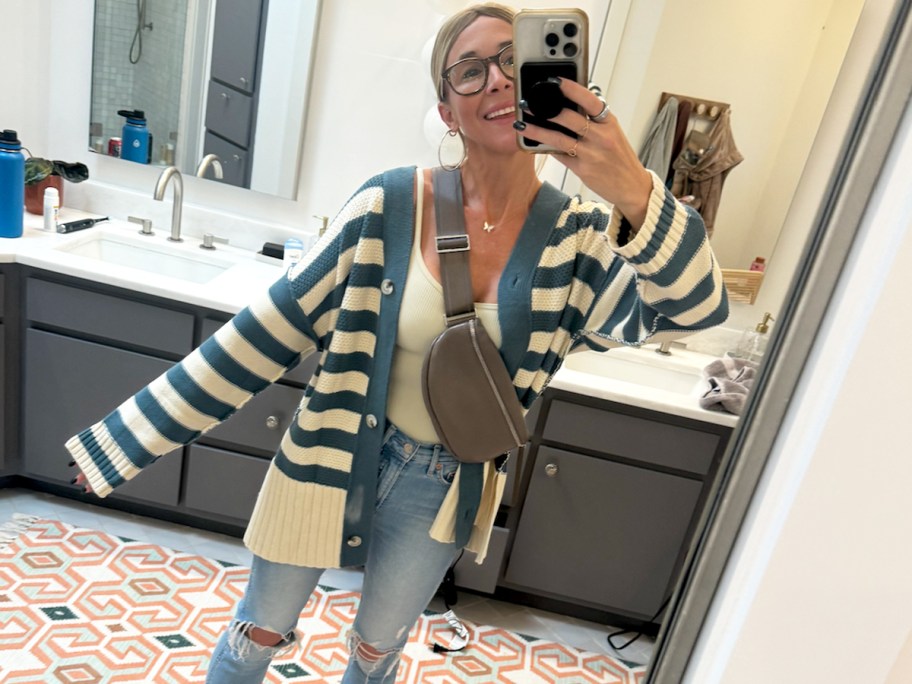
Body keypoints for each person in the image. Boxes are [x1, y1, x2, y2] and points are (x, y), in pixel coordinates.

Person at [67, 4, 728, 682]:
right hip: (327, 451)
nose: (497, 80)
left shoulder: (581, 238)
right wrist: (129, 437)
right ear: (447, 111)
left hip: (445, 487)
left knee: (377, 652)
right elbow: (264, 332)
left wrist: (631, 188)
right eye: (470, 72)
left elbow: (692, 308)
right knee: (256, 634)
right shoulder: (388, 205)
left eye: (511, 60)